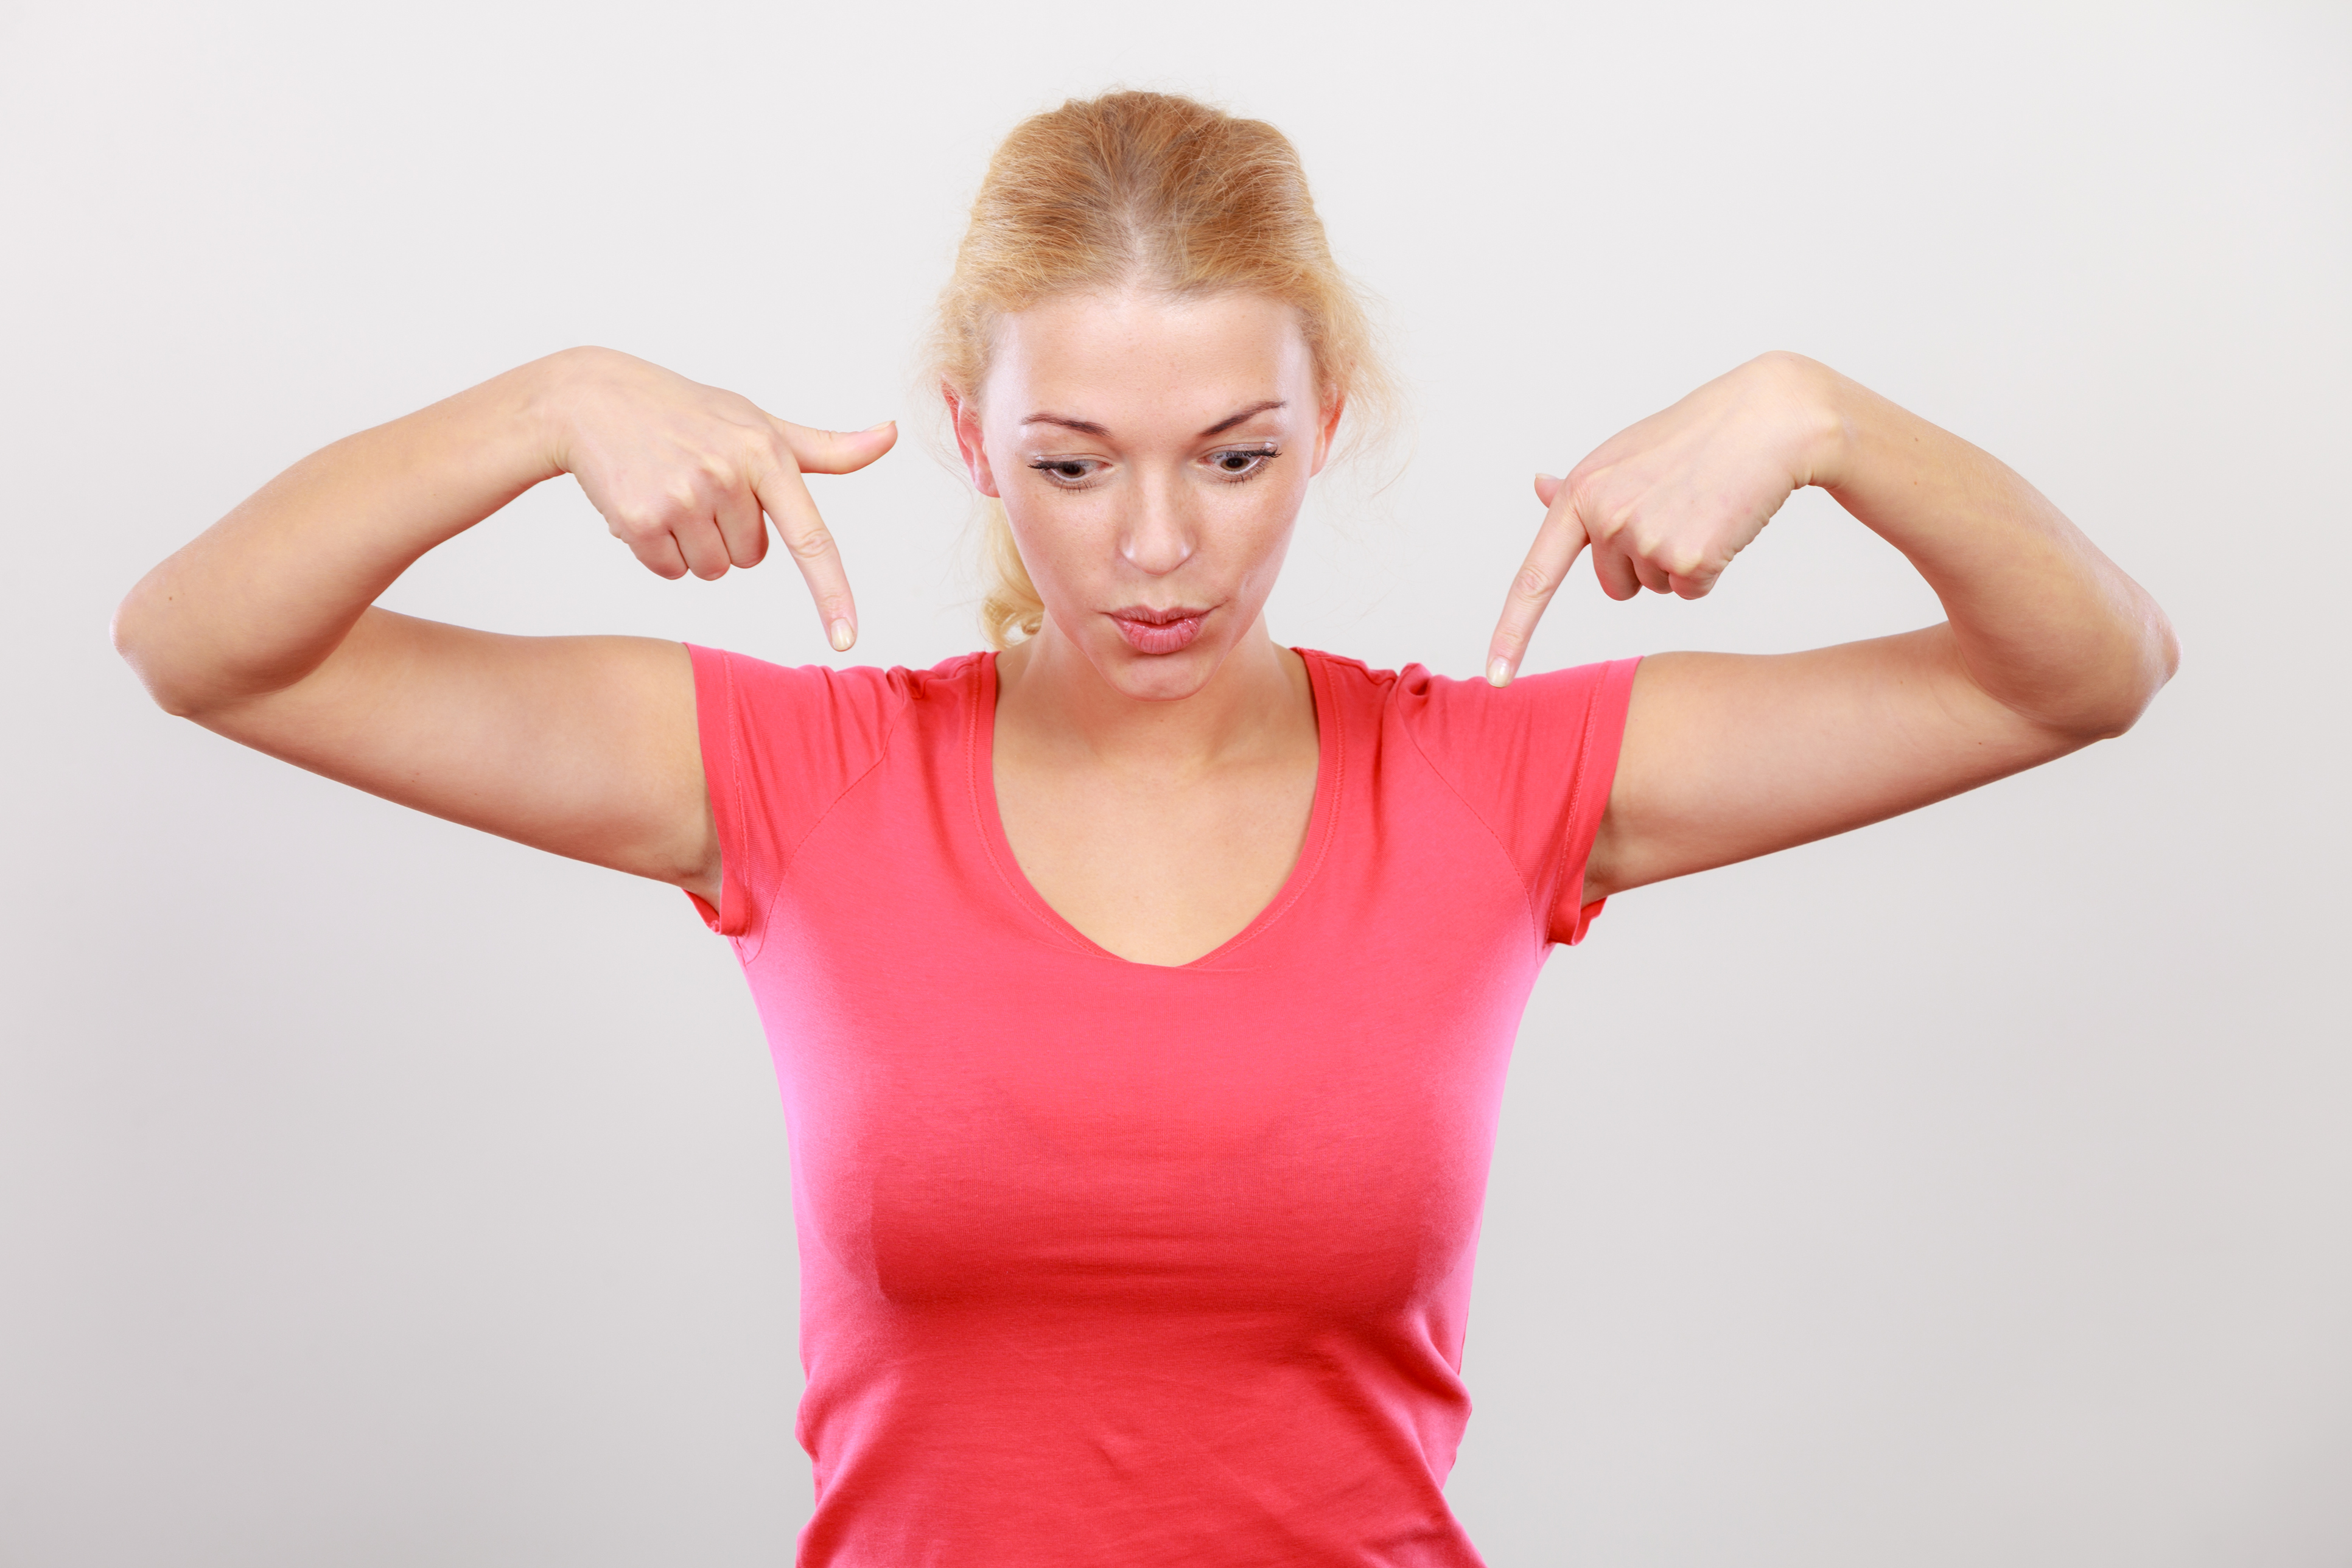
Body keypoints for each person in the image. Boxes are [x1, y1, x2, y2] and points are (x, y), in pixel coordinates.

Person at [112, 89, 2176, 1567]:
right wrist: (545, 401)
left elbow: (2081, 670)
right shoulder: (800, 784)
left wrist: (1825, 418)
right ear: (965, 440)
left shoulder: (1493, 785)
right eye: (1075, 463)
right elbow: (205, 646)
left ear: (1325, 428)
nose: (1161, 547)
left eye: (1237, 454)